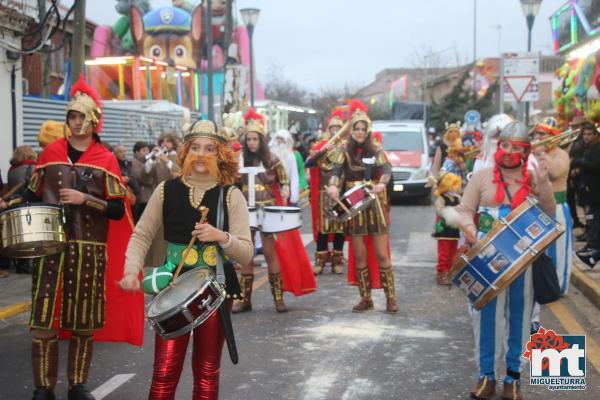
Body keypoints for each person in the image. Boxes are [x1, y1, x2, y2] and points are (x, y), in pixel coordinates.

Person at [0, 76, 144, 400]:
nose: (76, 123)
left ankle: (78, 385)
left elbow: (118, 210)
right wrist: (7, 202)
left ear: (93, 121)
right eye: (71, 117)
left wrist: (85, 200)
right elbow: (31, 191)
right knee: (43, 318)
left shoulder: (105, 159)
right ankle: (43, 388)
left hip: (89, 250)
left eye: (82, 117)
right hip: (49, 246)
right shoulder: (50, 153)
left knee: (83, 320)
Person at [119, 119, 253, 400]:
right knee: (164, 372)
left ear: (221, 155)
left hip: (215, 290)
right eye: (195, 147)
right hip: (173, 286)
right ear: (185, 153)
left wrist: (221, 237)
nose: (202, 154)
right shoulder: (166, 190)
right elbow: (142, 234)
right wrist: (132, 271)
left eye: (210, 149)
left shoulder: (232, 196)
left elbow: (246, 252)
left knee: (206, 371)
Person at [456, 121, 555, 400]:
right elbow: (465, 210)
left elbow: (549, 211)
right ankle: (486, 375)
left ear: (526, 152)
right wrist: (471, 231)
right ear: (498, 146)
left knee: (520, 317)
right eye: (505, 145)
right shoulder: (481, 176)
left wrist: (545, 181)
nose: (509, 151)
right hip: (487, 257)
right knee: (486, 317)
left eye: (517, 147)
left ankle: (513, 376)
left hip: (523, 258)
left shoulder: (532, 178)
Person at [233, 109, 316, 313]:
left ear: (261, 139)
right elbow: (230, 182)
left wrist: (287, 190)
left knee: (270, 254)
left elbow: (284, 180)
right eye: (248, 139)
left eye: (255, 139)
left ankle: (278, 298)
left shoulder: (272, 159)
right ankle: (245, 300)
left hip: (268, 209)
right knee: (246, 255)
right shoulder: (239, 160)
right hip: (246, 210)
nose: (252, 142)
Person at [326, 99, 398, 313]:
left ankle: (391, 298)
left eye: (362, 129)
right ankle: (365, 298)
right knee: (359, 256)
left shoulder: (376, 149)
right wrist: (332, 187)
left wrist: (381, 185)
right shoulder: (343, 150)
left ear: (368, 130)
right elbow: (336, 173)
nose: (359, 132)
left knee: (382, 254)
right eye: (356, 128)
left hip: (374, 205)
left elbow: (386, 171)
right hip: (352, 205)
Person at [306, 110, 347, 275]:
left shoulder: (345, 146)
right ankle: (320, 262)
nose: (335, 130)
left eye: (339, 127)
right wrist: (323, 150)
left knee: (340, 228)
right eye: (333, 128)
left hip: (341, 193)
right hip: (323, 194)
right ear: (328, 130)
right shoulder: (320, 145)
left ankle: (337, 261)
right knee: (323, 229)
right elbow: (309, 163)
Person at [574, 122, 600, 268]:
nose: (586, 137)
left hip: (596, 189)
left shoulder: (597, 147)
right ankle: (592, 250)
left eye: (589, 134)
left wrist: (578, 162)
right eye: (584, 134)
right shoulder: (586, 147)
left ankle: (593, 247)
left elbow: (595, 165)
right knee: (593, 218)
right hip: (589, 188)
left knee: (594, 218)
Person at [430, 172, 462, 285]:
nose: (455, 186)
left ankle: (450, 273)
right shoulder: (441, 198)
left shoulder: (457, 197)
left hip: (454, 230)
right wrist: (453, 210)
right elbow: (440, 211)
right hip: (444, 230)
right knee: (444, 254)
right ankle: (441, 274)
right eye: (453, 183)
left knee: (453, 253)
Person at [270, 130, 300, 206]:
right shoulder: (270, 154)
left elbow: (294, 175)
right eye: (278, 138)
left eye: (282, 139)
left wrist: (294, 195)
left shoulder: (290, 156)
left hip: (285, 188)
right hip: (271, 188)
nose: (279, 141)